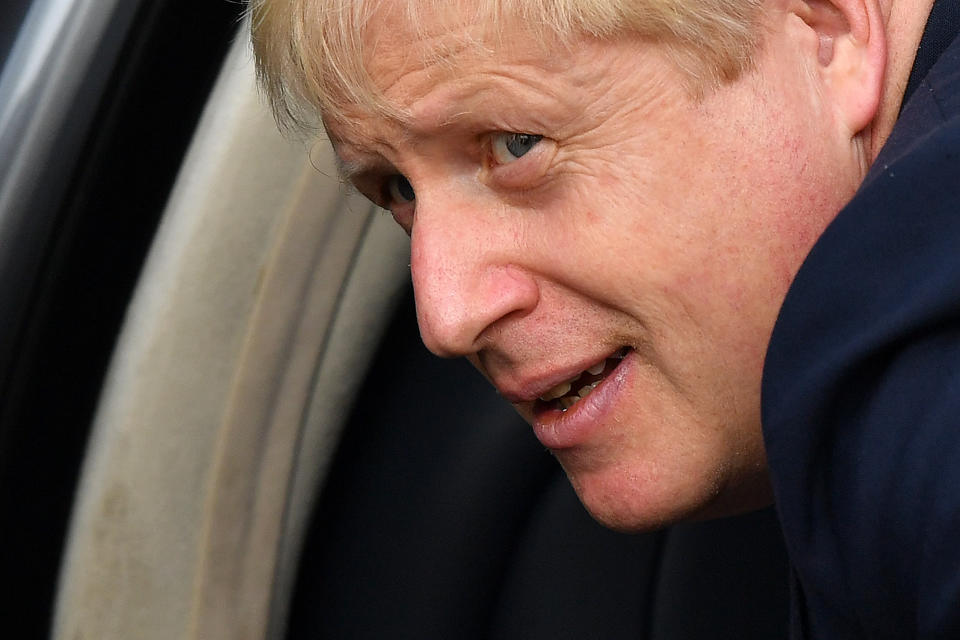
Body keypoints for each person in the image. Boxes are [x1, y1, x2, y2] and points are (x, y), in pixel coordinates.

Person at [249, 0, 959, 636]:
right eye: (397, 188)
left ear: (827, 33)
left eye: (515, 144)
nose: (447, 316)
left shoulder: (928, 384)